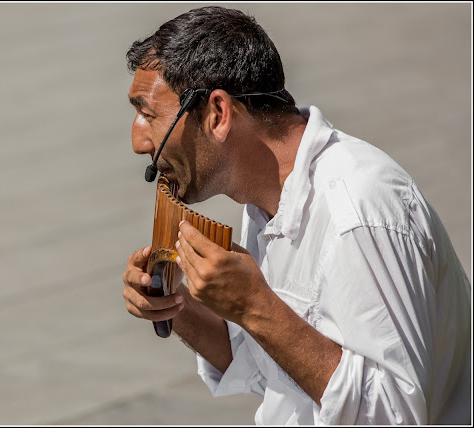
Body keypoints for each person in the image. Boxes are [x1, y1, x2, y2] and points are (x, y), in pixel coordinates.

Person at [121, 6, 471, 425]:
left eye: (148, 114)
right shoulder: (266, 198)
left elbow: (395, 414)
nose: (138, 140)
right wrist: (178, 308)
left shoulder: (357, 211)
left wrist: (254, 304)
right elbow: (270, 370)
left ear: (217, 113)